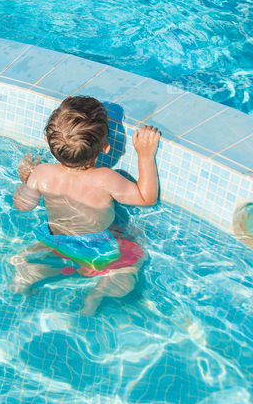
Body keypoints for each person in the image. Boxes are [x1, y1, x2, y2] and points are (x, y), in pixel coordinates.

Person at [10, 96, 160, 315]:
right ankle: (96, 295)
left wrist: (25, 181)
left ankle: (23, 280)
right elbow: (147, 198)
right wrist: (145, 155)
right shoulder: (106, 178)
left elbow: (23, 205)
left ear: (46, 139)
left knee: (29, 258)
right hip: (98, 250)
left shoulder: (42, 173)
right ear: (106, 147)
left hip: (57, 241)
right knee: (132, 259)